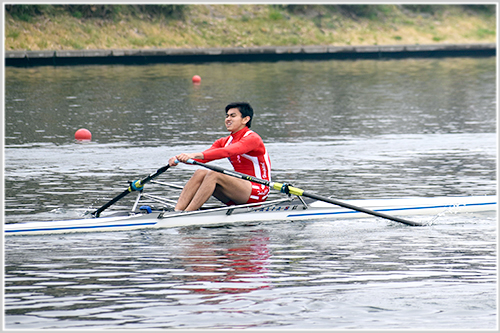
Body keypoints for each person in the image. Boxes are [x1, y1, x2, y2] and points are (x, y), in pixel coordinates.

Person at [168, 102, 271, 211]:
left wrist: (193, 154)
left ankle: (187, 213)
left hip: (259, 190)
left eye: (233, 116)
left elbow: (227, 152)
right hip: (239, 191)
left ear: (245, 119)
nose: (228, 119)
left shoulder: (253, 138)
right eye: (227, 116)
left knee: (214, 175)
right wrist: (178, 159)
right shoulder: (223, 141)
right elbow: (203, 158)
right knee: (200, 172)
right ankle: (178, 211)